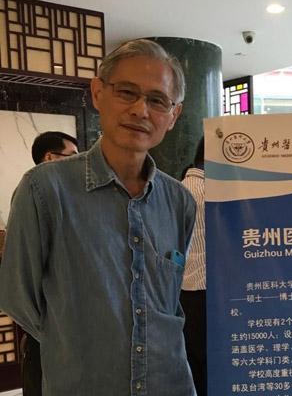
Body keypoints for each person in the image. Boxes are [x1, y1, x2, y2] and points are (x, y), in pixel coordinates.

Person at [0, 39, 197, 395]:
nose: (141, 110)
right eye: (127, 92)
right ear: (97, 93)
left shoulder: (179, 200)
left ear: (174, 115)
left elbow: (168, 300)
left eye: (157, 100)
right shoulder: (44, 190)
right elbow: (18, 298)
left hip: (168, 384)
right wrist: (79, 344)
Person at [21, 131, 78, 396]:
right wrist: (45, 330)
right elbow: (20, 284)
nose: (79, 163)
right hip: (48, 324)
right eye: (72, 156)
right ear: (50, 158)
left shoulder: (69, 197)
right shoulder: (32, 195)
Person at [180, 138, 207, 395]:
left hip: (183, 294)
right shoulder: (209, 193)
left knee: (194, 366)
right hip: (204, 294)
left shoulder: (178, 189)